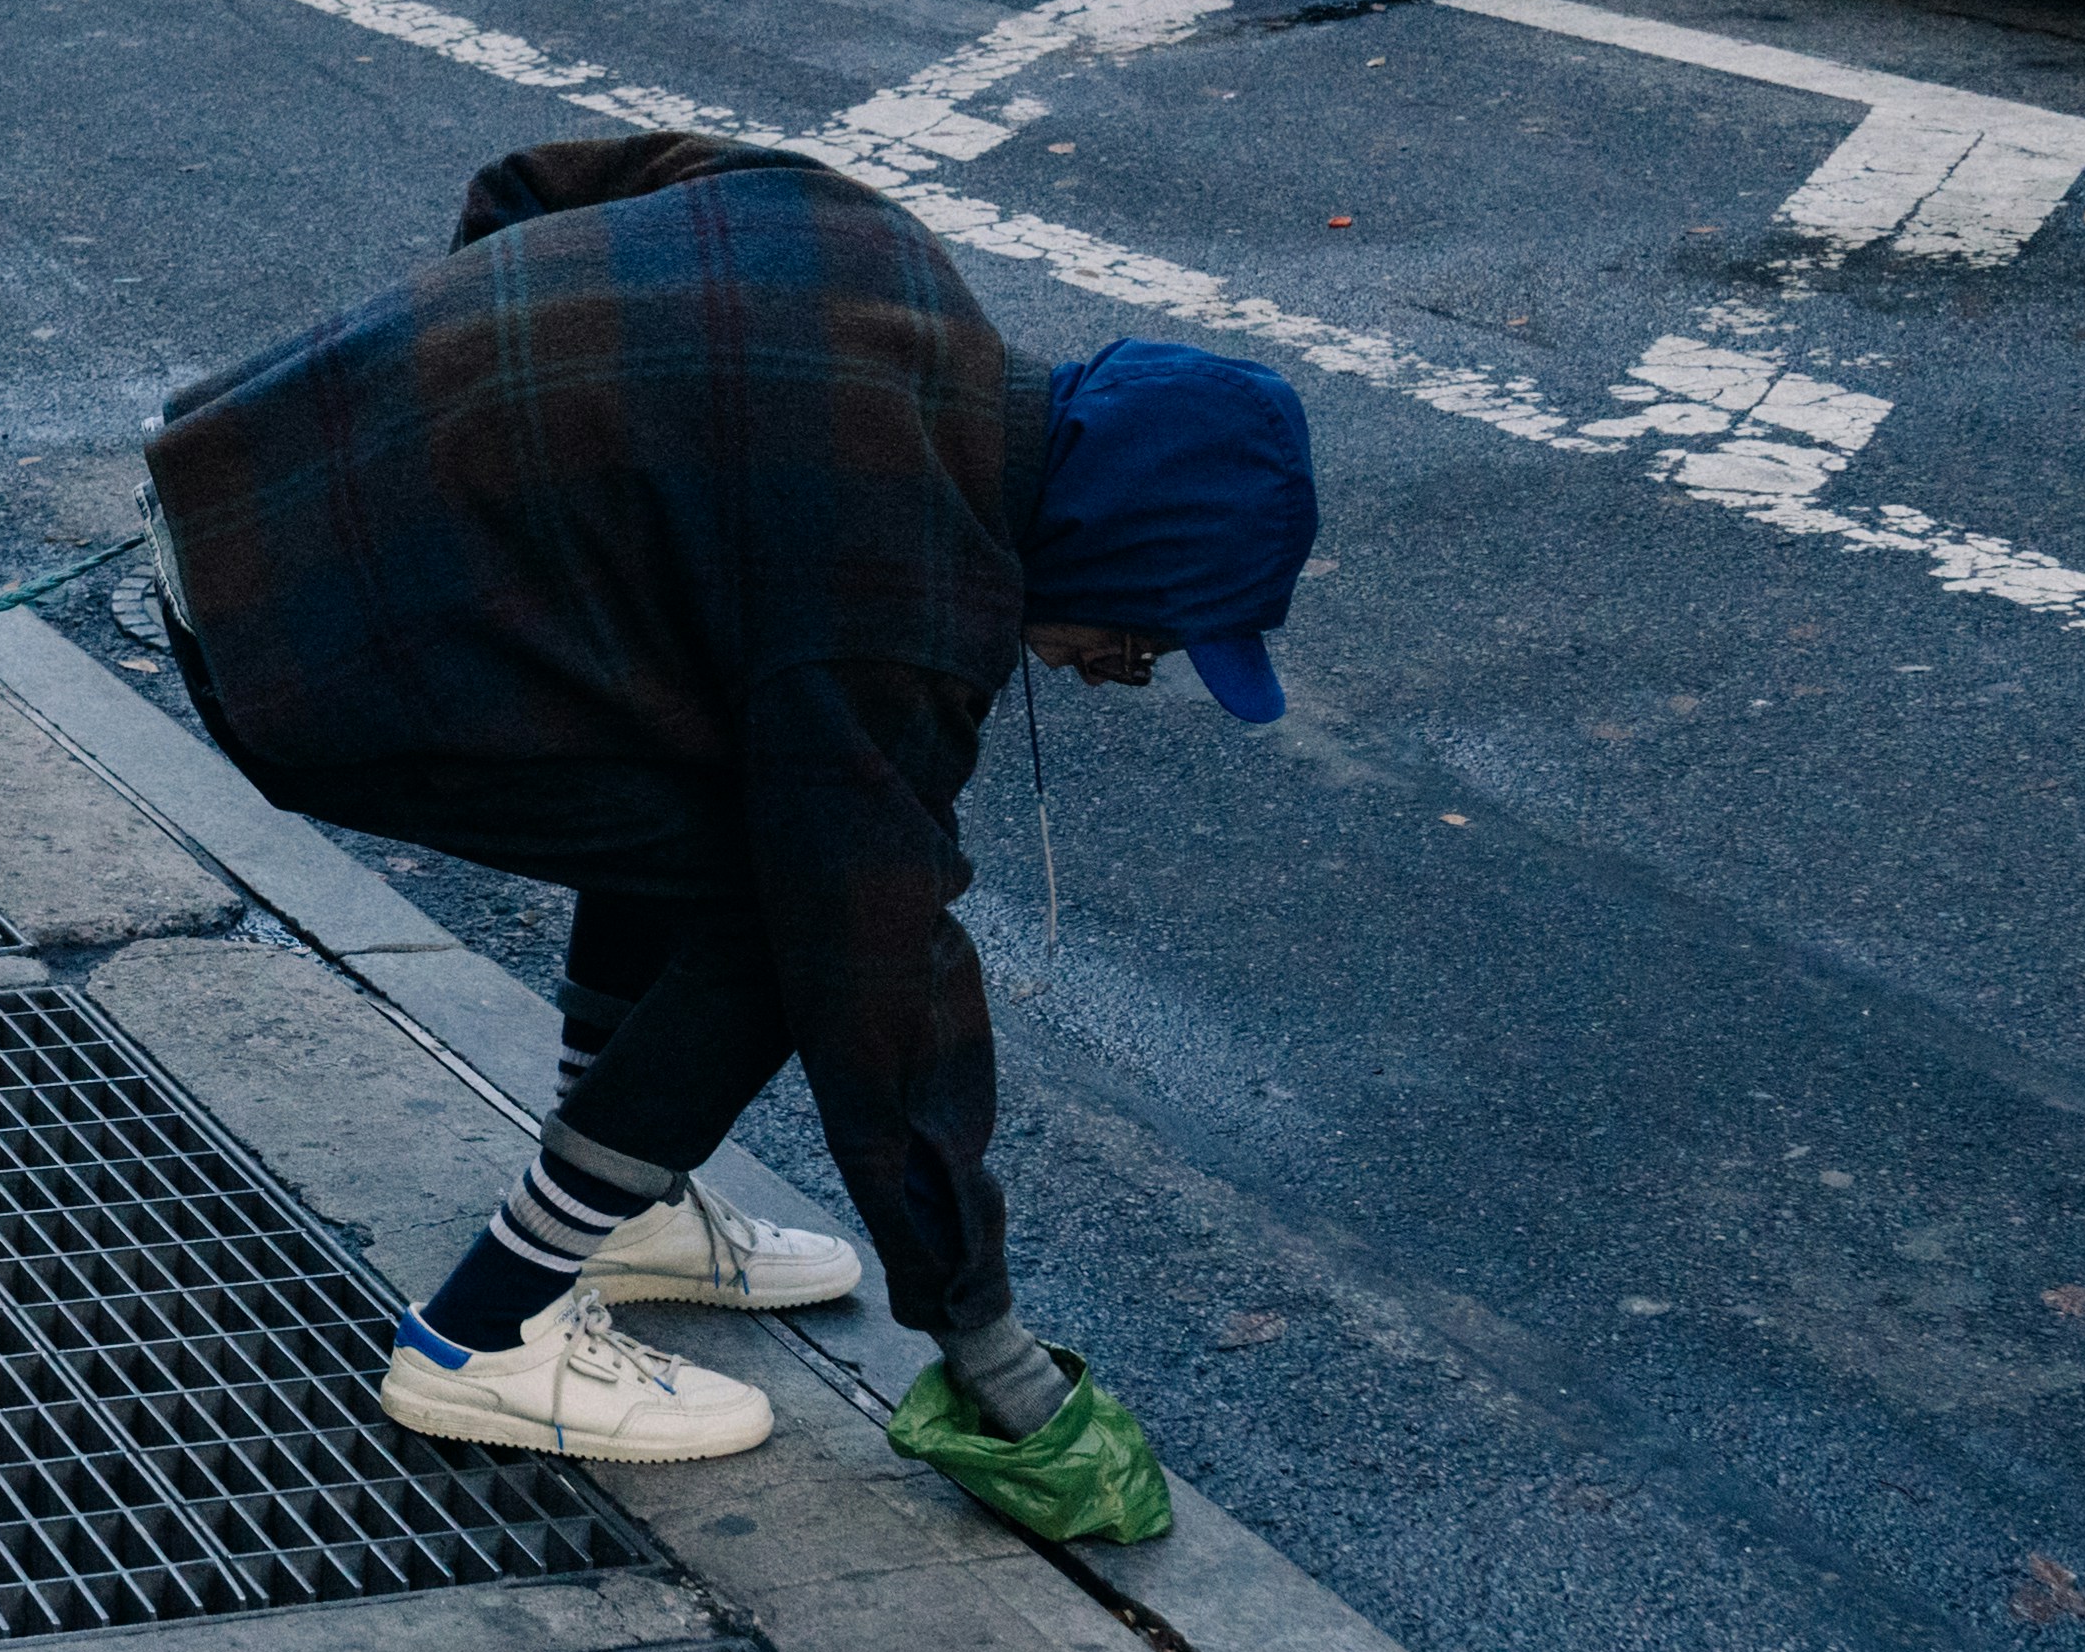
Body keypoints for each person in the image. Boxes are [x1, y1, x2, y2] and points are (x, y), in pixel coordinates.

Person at [143, 134, 1315, 1534]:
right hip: (300, 651)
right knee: (788, 913)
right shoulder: (895, 597)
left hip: (242, 476)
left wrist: (483, 435)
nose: (1118, 677)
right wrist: (985, 1342)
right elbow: (881, 982)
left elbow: (529, 190)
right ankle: (486, 1333)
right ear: (1111, 550)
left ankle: (627, 1209)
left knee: (704, 754)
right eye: (1143, 643)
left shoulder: (875, 246)